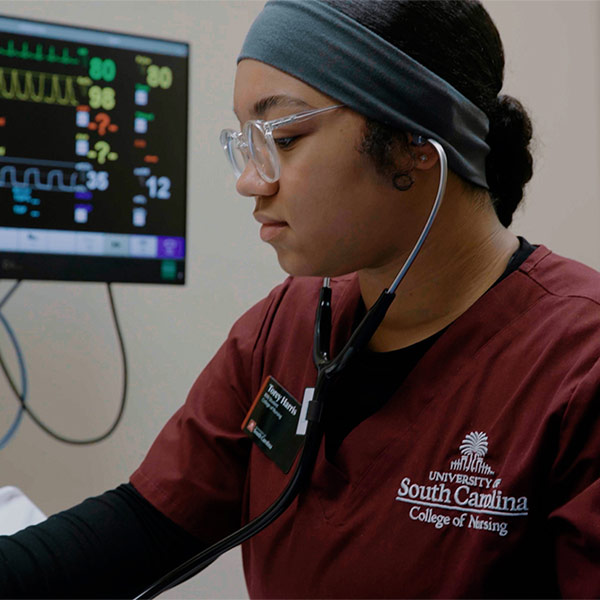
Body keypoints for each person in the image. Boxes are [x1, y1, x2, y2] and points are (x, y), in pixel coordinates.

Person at [1, 0, 599, 597]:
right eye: (247, 142)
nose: (250, 180)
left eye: (283, 137)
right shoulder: (288, 322)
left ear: (419, 140)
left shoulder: (578, 365)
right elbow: (149, 525)